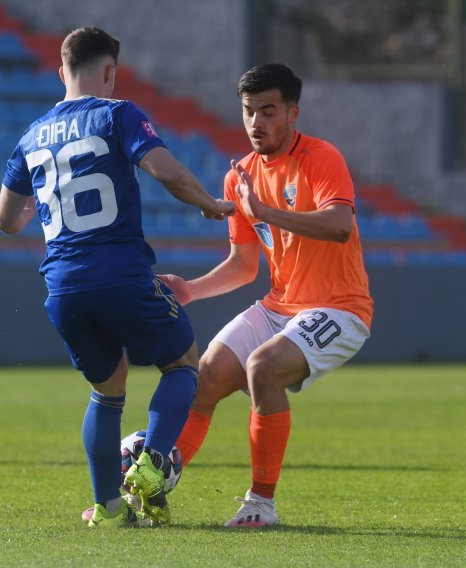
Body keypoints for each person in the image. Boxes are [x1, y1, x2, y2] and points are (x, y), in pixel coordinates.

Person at [0, 26, 235, 528]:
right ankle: (151, 465)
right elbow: (164, 170)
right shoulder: (117, 112)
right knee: (183, 363)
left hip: (62, 287)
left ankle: (106, 508)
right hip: (121, 275)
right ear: (109, 72)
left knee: (107, 390)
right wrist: (209, 204)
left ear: (61, 72)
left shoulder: (31, 135)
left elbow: (6, 220)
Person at [160, 63, 374, 527]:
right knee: (207, 378)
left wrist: (267, 212)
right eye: (248, 111)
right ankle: (153, 481)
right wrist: (190, 290)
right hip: (280, 306)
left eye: (269, 111)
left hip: (340, 308)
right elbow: (243, 265)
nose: (257, 122)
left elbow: (339, 226)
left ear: (293, 113)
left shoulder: (321, 158)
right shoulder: (239, 177)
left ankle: (261, 503)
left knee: (263, 368)